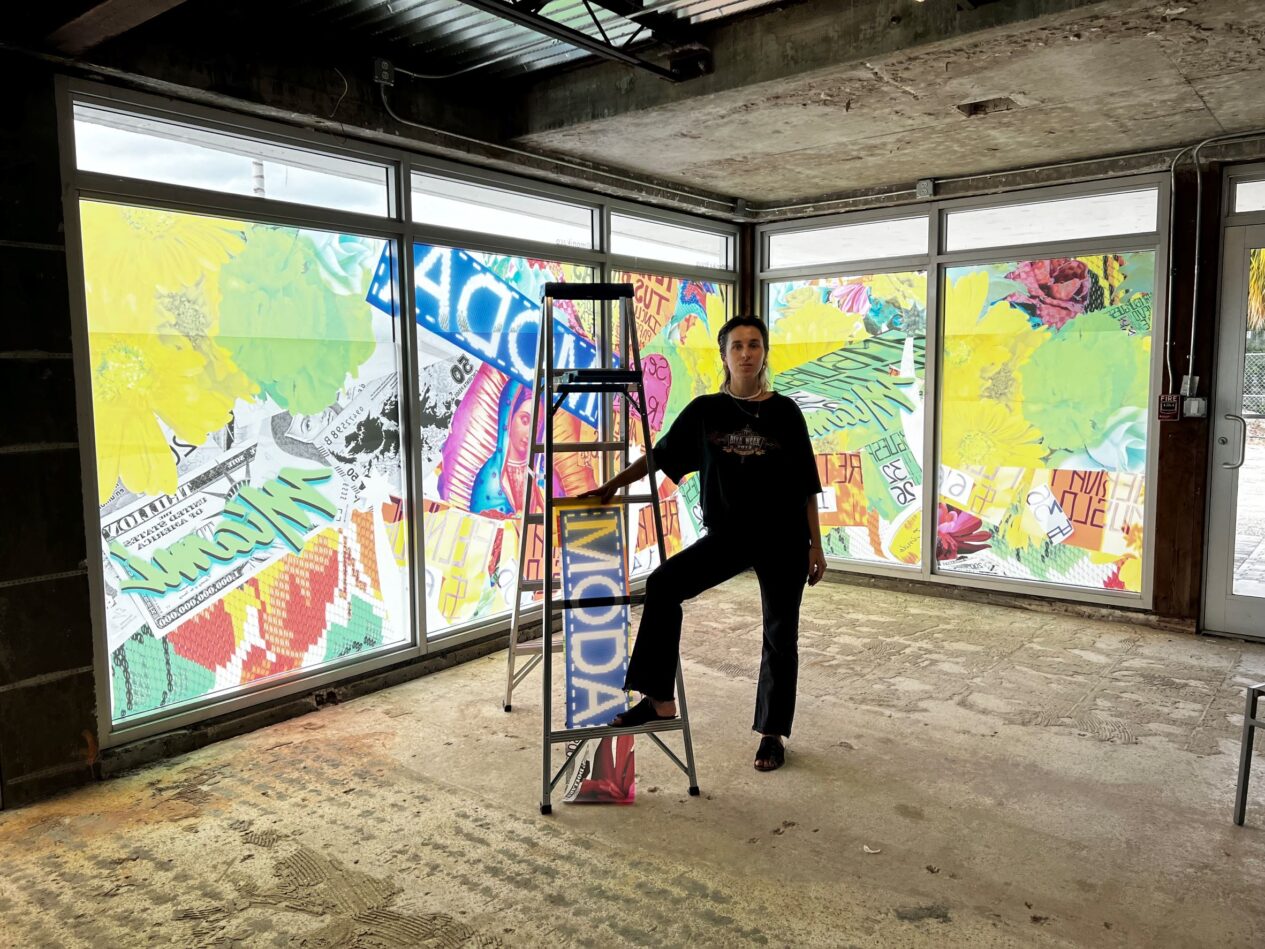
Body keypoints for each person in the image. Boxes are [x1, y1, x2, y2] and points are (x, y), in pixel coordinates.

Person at [582, 315, 826, 772]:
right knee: (663, 585)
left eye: (755, 345)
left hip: (783, 538)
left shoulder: (786, 412)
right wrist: (612, 485)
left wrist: (816, 544)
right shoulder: (705, 411)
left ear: (765, 353)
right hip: (728, 536)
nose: (747, 353)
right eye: (738, 346)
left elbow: (806, 483)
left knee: (780, 635)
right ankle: (658, 700)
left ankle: (772, 734)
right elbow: (659, 456)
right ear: (724, 355)